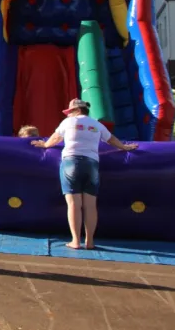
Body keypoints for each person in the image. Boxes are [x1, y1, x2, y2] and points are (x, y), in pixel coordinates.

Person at [31, 98, 138, 250]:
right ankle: (90, 241)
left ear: (77, 110)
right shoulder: (96, 124)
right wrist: (124, 147)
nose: (68, 114)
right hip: (91, 163)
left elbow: (55, 137)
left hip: (71, 161)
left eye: (69, 112)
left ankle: (75, 241)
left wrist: (45, 144)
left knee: (74, 204)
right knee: (90, 205)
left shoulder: (68, 122)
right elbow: (111, 139)